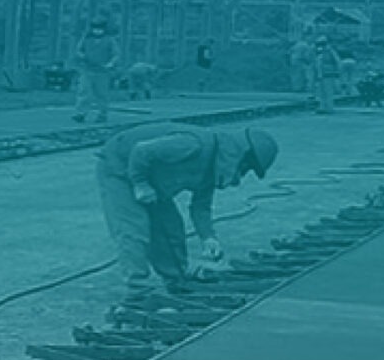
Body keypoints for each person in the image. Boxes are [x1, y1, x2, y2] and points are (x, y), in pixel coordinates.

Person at [97, 123, 280, 301]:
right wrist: (140, 183)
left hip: (154, 179)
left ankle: (176, 280)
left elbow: (201, 207)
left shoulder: (211, 167)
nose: (240, 177)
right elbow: (142, 151)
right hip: (120, 168)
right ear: (239, 154)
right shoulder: (194, 145)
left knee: (170, 228)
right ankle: (138, 292)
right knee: (134, 230)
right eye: (245, 168)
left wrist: (208, 238)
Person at [72, 19, 120, 124]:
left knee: (101, 94)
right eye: (95, 29)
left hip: (102, 72)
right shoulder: (86, 39)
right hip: (87, 70)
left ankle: (102, 114)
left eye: (100, 29)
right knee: (84, 91)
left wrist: (111, 63)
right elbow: (78, 50)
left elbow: (116, 55)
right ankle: (81, 113)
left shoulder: (109, 40)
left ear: (104, 29)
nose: (97, 31)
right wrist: (81, 56)